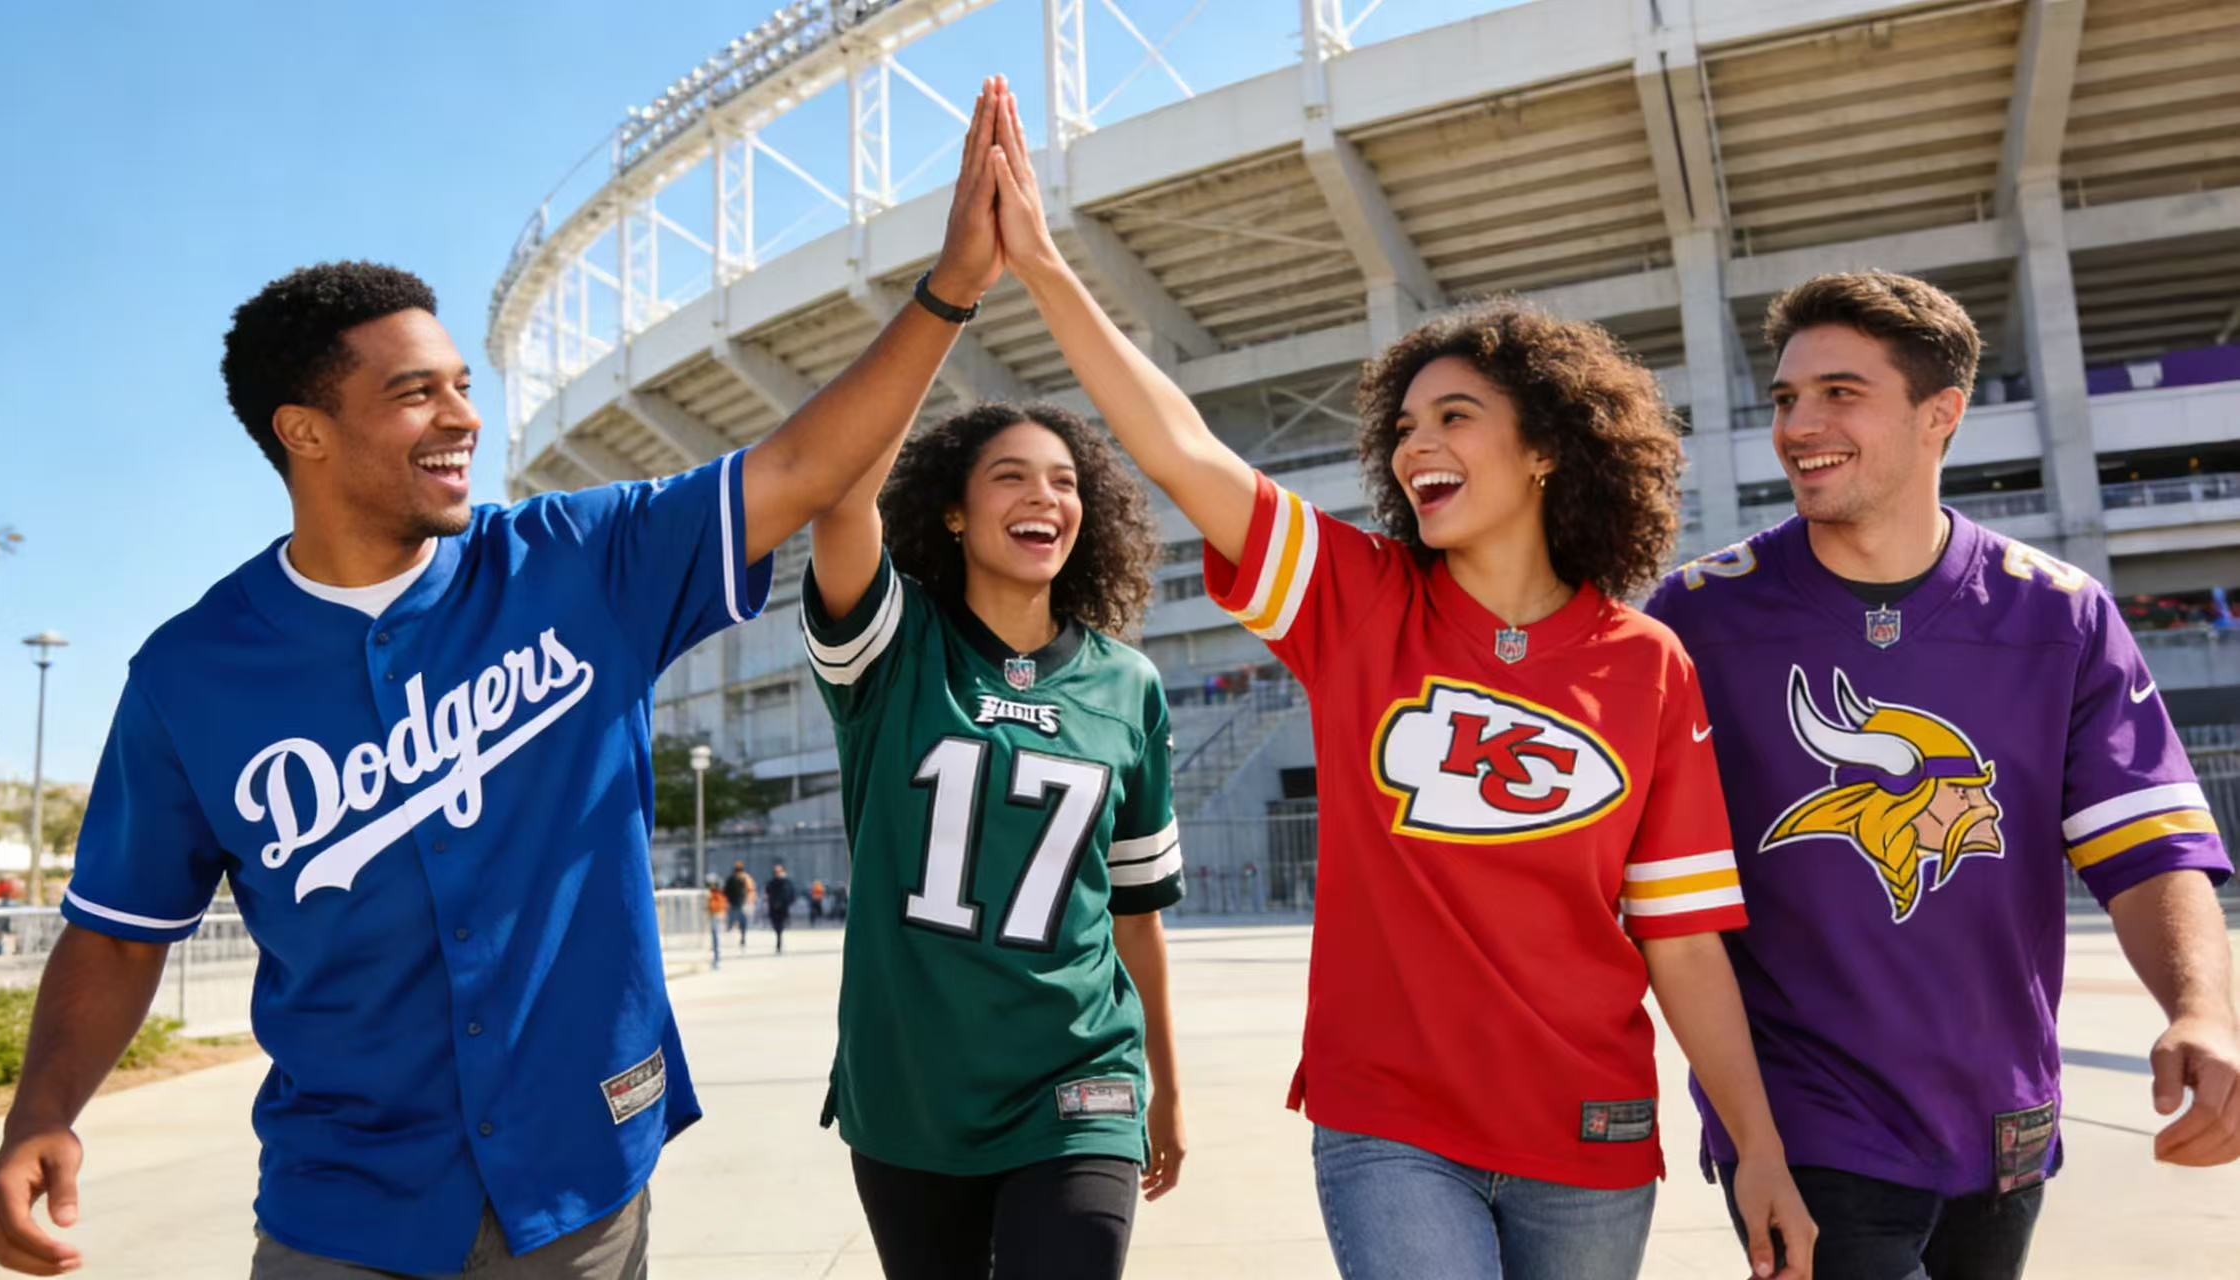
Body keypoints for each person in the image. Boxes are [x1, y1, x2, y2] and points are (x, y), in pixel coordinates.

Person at [0, 79, 1014, 1278]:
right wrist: (42, 1109)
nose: (463, 415)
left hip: (579, 1180)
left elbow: (803, 464)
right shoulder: (192, 673)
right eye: (416, 392)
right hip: (342, 1203)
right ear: (302, 431)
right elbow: (115, 934)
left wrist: (952, 289)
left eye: (464, 383)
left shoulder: (577, 563)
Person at [979, 89, 1811, 1280]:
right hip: (1389, 1123)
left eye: (1455, 416)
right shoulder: (1355, 598)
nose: (1416, 444)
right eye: (1404, 425)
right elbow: (1182, 451)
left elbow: (1679, 942)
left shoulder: (1646, 663)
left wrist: (1759, 1146)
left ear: (1544, 450)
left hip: (1590, 1129)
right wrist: (1048, 272)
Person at [1647, 271, 2238, 1280]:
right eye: (1786, 397)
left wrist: (2201, 1008)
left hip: (2001, 1112)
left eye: (1839, 392)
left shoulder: (2058, 614)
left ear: (1939, 415)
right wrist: (1746, 1135)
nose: (1798, 424)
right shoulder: (1696, 617)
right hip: (1808, 1118)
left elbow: (2144, 846)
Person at [802, 86, 1187, 1278]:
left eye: (1065, 481)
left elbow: (1134, 914)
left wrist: (1163, 1086)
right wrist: (957, 283)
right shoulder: (893, 651)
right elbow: (836, 490)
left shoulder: (1126, 683)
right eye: (1011, 476)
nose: (1044, 497)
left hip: (1079, 1085)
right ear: (954, 512)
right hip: (908, 1092)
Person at [765, 862, 797, 954]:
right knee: (775, 925)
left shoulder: (787, 882)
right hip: (773, 907)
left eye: (779, 871)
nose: (777, 873)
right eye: (776, 872)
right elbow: (767, 893)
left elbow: (792, 894)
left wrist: (788, 903)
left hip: (783, 908)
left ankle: (779, 940)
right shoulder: (771, 883)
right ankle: (779, 937)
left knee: (781, 925)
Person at [705, 878, 728, 970]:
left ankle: (717, 960)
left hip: (716, 917)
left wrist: (710, 908)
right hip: (716, 917)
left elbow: (716, 907)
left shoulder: (717, 895)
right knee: (715, 939)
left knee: (716, 939)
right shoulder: (715, 895)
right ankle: (716, 959)